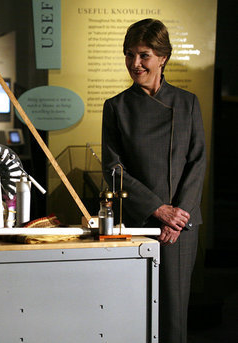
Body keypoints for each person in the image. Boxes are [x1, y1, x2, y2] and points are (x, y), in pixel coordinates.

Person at [101, 18, 206, 343]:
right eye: (129, 54)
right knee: (131, 312)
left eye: (144, 55)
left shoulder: (187, 103)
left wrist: (178, 216)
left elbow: (197, 161)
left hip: (179, 228)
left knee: (173, 318)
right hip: (136, 222)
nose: (135, 64)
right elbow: (113, 169)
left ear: (163, 57)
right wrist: (158, 210)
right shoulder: (117, 107)